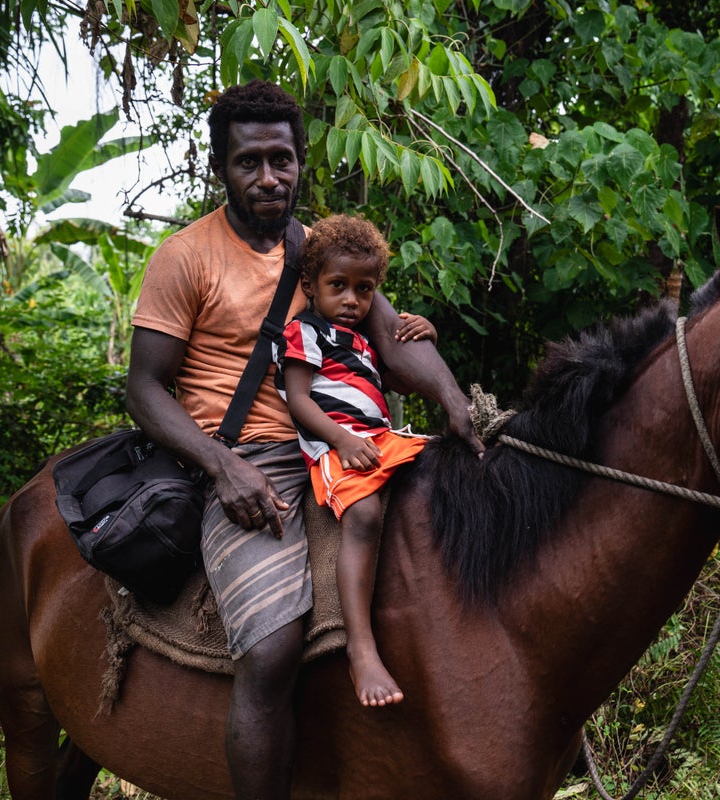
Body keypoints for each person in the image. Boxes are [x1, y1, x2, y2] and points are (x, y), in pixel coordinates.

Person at [124, 81, 483, 799]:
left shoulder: (323, 252)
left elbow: (393, 338)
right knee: (273, 646)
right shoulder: (186, 257)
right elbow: (143, 389)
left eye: (281, 160)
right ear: (220, 168)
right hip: (247, 460)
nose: (268, 178)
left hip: (347, 443)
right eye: (248, 162)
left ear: (300, 161)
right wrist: (223, 469)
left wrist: (453, 399)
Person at [276, 214, 437, 708]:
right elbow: (299, 400)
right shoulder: (303, 333)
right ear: (311, 285)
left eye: (364, 289)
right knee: (364, 513)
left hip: (381, 437)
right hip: (332, 448)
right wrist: (342, 441)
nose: (351, 300)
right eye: (338, 286)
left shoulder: (363, 339)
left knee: (447, 471)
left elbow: (402, 382)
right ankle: (360, 649)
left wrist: (424, 335)